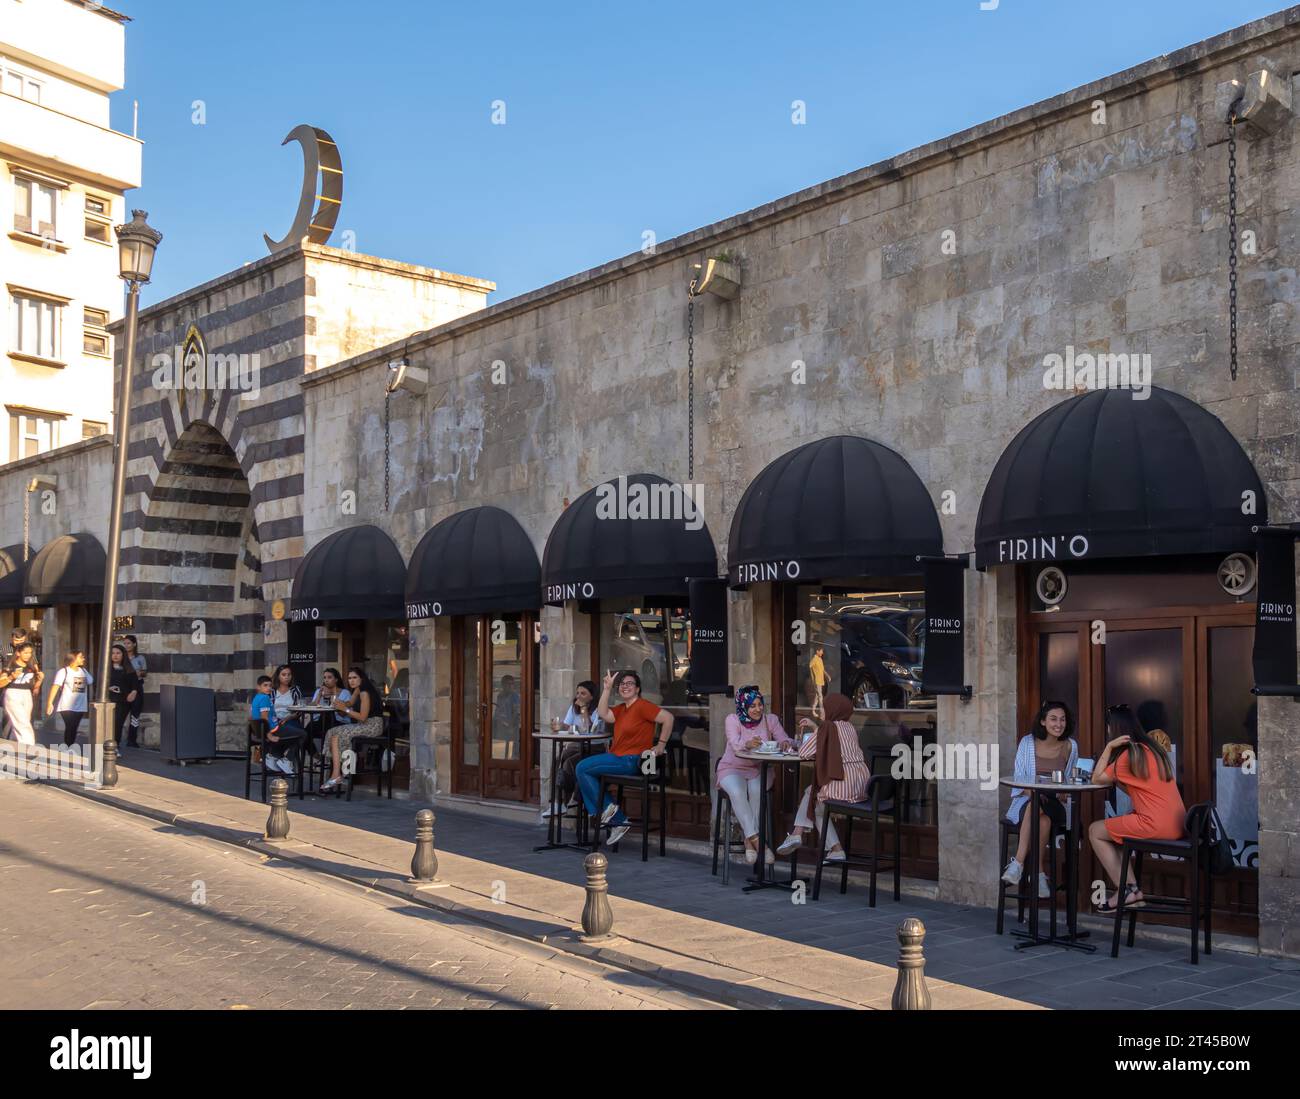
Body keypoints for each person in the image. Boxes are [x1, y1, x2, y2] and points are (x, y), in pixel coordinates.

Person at [1088, 703, 1187, 911]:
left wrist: (1108, 748)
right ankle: (1133, 891)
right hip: (1178, 823)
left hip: (1156, 825)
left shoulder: (1127, 756)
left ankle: (1125, 891)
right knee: (1116, 834)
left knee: (1095, 831)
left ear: (1113, 730)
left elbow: (1097, 779)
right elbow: (1140, 787)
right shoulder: (1153, 749)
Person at [578, 669, 674, 847]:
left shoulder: (643, 706)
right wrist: (606, 689)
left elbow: (668, 718)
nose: (625, 686)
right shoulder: (621, 709)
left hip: (632, 760)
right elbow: (603, 713)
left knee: (582, 768)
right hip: (617, 758)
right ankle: (615, 817)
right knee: (583, 770)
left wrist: (661, 744)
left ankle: (609, 812)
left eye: (630, 683)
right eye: (622, 684)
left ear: (637, 689)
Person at [776, 692, 869, 862]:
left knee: (813, 798)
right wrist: (815, 727)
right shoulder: (849, 727)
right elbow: (832, 742)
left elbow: (804, 752)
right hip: (861, 784)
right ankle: (834, 849)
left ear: (832, 709)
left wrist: (801, 741)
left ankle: (798, 834)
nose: (821, 711)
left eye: (823, 708)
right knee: (813, 796)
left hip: (843, 782)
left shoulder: (828, 727)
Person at [1001, 699, 1080, 899]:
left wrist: (1064, 791)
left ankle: (1018, 864)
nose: (1058, 724)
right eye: (1053, 719)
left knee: (1039, 808)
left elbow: (1070, 779)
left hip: (1056, 803)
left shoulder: (1070, 746)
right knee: (1040, 816)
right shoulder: (1027, 742)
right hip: (1028, 799)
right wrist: (1036, 793)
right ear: (1043, 721)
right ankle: (1038, 874)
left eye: (1062, 720)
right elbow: (1019, 778)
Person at [717, 685, 792, 865]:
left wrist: (785, 744)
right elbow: (735, 745)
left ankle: (748, 841)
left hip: (760, 769)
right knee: (737, 792)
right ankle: (759, 843)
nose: (757, 709)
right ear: (743, 706)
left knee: (757, 793)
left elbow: (785, 739)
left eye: (760, 704)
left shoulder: (770, 720)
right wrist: (748, 743)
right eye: (752, 706)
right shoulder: (732, 719)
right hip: (732, 767)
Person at [543, 680, 603, 820]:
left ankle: (571, 798)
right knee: (558, 759)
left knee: (568, 762)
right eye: (577, 693)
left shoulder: (598, 710)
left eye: (583, 693)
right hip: (577, 745)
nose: (579, 696)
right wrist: (558, 726)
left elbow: (588, 729)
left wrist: (583, 709)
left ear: (592, 696)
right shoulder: (573, 707)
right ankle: (557, 802)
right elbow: (566, 725)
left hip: (594, 747)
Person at [321, 666, 385, 793]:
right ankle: (336, 773)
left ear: (361, 678)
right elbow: (349, 703)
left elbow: (362, 717)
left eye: (355, 677)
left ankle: (341, 772)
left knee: (338, 734)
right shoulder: (357, 689)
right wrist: (338, 702)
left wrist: (344, 709)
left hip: (372, 726)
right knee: (332, 732)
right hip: (364, 725)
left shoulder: (365, 692)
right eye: (349, 678)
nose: (352, 681)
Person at [249, 674, 305, 775]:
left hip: (268, 728)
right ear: (258, 687)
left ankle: (273, 755)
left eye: (270, 686)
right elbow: (264, 717)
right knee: (302, 734)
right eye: (265, 685)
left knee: (291, 735)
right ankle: (286, 760)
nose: (268, 688)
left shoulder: (256, 698)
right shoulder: (264, 698)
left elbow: (252, 716)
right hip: (273, 730)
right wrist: (269, 735)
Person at [0, 640, 43, 745]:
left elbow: (35, 688)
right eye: (25, 653)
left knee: (25, 720)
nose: (28, 655)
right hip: (12, 694)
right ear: (18, 653)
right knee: (22, 721)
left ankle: (14, 743)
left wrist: (40, 680)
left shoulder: (31, 667)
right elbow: (1, 683)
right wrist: (11, 677)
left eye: (30, 653)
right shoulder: (10, 665)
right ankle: (29, 746)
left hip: (27, 694)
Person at [46, 650, 92, 748]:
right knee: (70, 726)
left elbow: (91, 680)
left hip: (81, 705)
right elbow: (55, 686)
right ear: (73, 658)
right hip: (67, 705)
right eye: (80, 657)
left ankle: (70, 745)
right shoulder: (63, 671)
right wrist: (50, 702)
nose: (83, 658)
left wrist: (84, 672)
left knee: (74, 727)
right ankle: (68, 746)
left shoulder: (83, 671)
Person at [106, 643, 139, 752]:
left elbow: (135, 684)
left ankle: (115, 746)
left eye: (118, 653)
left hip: (123, 701)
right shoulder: (105, 669)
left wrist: (133, 692)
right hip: (108, 700)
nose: (115, 655)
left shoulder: (129, 669)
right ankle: (105, 746)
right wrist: (108, 688)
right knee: (107, 725)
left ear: (123, 655)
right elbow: (98, 683)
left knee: (118, 724)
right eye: (113, 653)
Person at [122, 634, 147, 748]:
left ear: (134, 644)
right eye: (125, 643)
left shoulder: (140, 658)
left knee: (135, 714)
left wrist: (137, 673)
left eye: (128, 643)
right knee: (121, 714)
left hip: (137, 686)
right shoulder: (121, 657)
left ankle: (132, 740)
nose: (126, 645)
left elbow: (144, 673)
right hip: (125, 687)